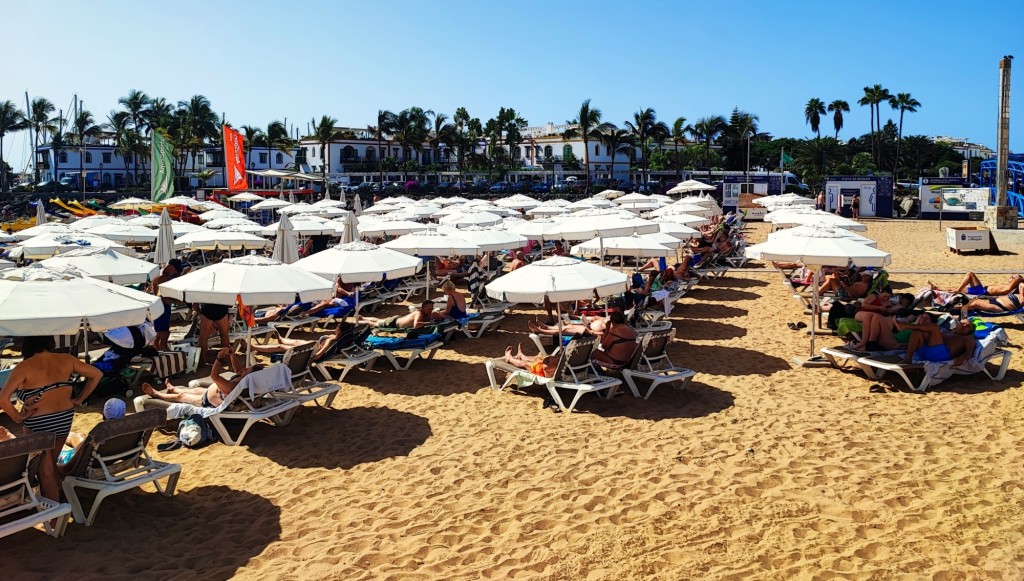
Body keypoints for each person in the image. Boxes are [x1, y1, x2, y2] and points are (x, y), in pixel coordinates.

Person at [0, 336, 103, 502]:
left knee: (45, 471)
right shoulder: (67, 360)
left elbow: (3, 399)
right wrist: (79, 399)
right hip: (64, 418)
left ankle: (55, 514)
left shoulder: (24, 367)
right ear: (49, 344)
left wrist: (18, 418)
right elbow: (97, 374)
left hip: (39, 424)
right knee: (50, 464)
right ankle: (59, 499)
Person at [141, 345, 264, 408]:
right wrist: (232, 355)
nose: (243, 369)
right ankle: (172, 388)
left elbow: (214, 376)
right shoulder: (244, 383)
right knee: (194, 390)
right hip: (213, 393)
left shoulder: (233, 388)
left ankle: (156, 394)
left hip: (207, 402)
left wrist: (219, 358)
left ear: (248, 378)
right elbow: (237, 370)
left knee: (182, 396)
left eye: (246, 370)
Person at [57, 398, 126, 465]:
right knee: (79, 436)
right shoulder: (129, 430)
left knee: (77, 437)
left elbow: (85, 451)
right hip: (110, 457)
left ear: (103, 415)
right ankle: (62, 436)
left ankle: (58, 436)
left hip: (91, 462)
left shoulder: (101, 432)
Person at [895, 314, 976, 365]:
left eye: (968, 326)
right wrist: (907, 345)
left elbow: (969, 352)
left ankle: (906, 326)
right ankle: (907, 358)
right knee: (917, 331)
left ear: (969, 331)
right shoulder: (948, 332)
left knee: (935, 327)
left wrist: (962, 358)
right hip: (924, 352)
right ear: (957, 325)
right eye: (963, 323)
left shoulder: (968, 338)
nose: (964, 326)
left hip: (940, 354)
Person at [148, 258, 184, 351]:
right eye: (175, 269)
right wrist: (176, 301)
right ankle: (162, 351)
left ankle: (159, 352)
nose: (176, 271)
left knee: (160, 333)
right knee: (164, 333)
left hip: (160, 307)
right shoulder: (162, 278)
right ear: (169, 266)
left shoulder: (161, 277)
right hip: (161, 308)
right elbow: (161, 297)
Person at [928, 272, 1023, 297]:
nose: (1010, 277)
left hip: (982, 292)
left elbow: (1019, 279)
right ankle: (936, 288)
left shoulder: (1008, 287)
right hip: (982, 290)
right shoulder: (1008, 286)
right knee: (955, 287)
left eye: (1012, 277)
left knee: (970, 274)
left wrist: (1019, 278)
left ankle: (955, 290)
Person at [197, 302, 232, 367]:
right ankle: (224, 357)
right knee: (224, 335)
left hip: (208, 306)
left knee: (203, 338)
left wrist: (198, 310)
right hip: (221, 306)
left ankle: (201, 361)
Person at [358, 301, 433, 329]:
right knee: (375, 323)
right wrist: (428, 323)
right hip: (394, 323)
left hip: (397, 320)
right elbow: (416, 325)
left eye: (431, 309)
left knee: (380, 320)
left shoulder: (421, 312)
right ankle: (357, 321)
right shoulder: (419, 313)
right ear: (423, 308)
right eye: (429, 309)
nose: (431, 310)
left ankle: (363, 317)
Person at [959, 284, 1024, 315]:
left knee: (976, 304)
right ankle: (957, 307)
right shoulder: (1020, 295)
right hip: (995, 300)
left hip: (1000, 306)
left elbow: (1022, 285)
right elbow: (1021, 284)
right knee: (974, 301)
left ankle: (955, 308)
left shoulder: (1022, 298)